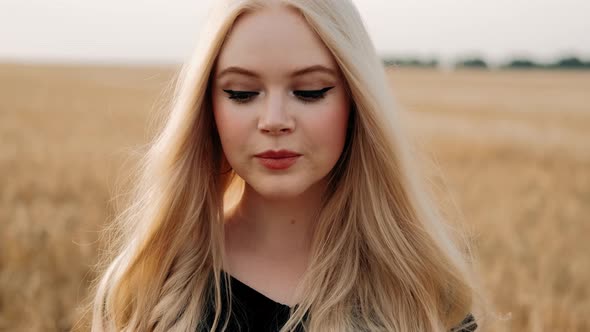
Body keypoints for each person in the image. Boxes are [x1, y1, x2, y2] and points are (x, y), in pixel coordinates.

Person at [89, 0, 484, 331]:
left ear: (357, 104)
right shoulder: (148, 291)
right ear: (207, 109)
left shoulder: (422, 299)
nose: (274, 119)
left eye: (310, 91)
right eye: (241, 93)